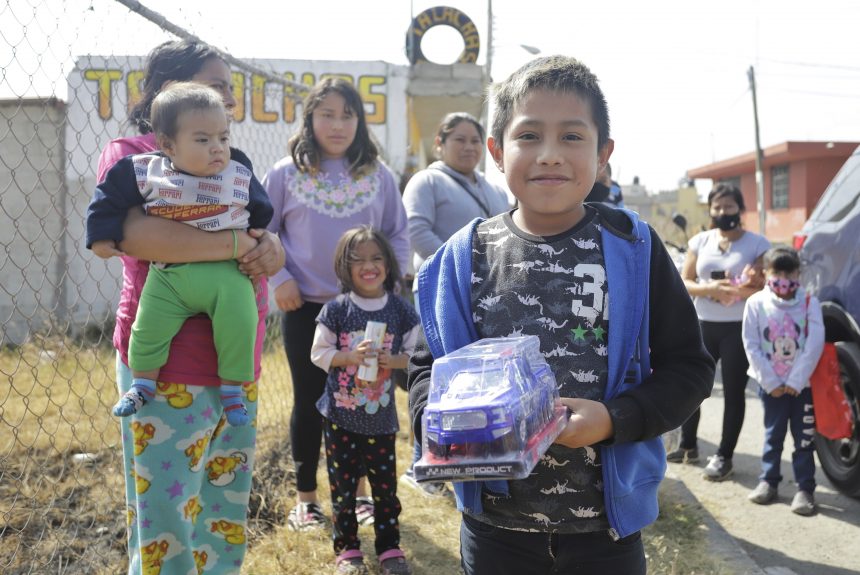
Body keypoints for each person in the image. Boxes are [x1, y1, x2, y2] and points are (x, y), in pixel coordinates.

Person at [407, 55, 715, 575]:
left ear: (603, 156)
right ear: (497, 153)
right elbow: (424, 369)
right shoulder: (464, 259)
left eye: (572, 137)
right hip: (494, 530)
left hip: (605, 531)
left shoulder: (633, 250)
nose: (550, 155)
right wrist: (440, 431)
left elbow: (689, 367)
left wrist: (614, 420)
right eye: (529, 136)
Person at [94, 39, 285, 575]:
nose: (227, 97)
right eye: (213, 85)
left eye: (229, 88)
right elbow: (137, 234)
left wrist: (271, 249)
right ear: (165, 92)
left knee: (223, 509)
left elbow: (261, 231)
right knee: (166, 519)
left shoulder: (228, 162)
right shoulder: (133, 156)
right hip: (167, 366)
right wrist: (235, 247)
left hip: (234, 365)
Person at [263, 77, 410, 531]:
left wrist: (391, 287)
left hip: (364, 311)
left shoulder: (378, 175)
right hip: (304, 306)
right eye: (327, 113)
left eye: (348, 114)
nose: (338, 123)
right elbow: (265, 232)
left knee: (364, 401)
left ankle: (359, 495)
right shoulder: (285, 173)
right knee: (310, 401)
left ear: (360, 121)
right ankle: (306, 499)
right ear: (310, 118)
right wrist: (281, 278)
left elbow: (397, 234)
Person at [88, 83, 273, 427]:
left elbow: (261, 208)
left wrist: (262, 234)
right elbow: (107, 198)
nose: (217, 149)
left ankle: (233, 390)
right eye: (202, 140)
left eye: (223, 137)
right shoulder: (143, 170)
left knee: (240, 323)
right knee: (146, 328)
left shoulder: (238, 168)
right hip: (168, 276)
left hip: (226, 275)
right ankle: (142, 384)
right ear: (168, 145)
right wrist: (100, 236)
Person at [399, 111, 510, 495]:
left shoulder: (495, 189)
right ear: (440, 144)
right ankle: (424, 464)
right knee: (438, 375)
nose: (468, 147)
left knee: (477, 381)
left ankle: (470, 458)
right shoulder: (426, 181)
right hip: (439, 293)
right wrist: (455, 273)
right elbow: (417, 230)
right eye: (459, 139)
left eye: (475, 141)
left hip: (489, 296)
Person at [310, 226, 420, 575]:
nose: (368, 266)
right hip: (340, 416)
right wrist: (349, 356)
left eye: (376, 258)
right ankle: (347, 549)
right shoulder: (337, 310)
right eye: (358, 260)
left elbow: (418, 352)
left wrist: (396, 361)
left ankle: (389, 548)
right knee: (343, 489)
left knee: (385, 489)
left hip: (381, 419)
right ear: (345, 267)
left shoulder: (401, 311)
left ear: (388, 263)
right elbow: (318, 353)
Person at [668, 183, 770, 481]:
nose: (723, 212)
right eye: (717, 207)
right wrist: (711, 289)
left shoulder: (757, 244)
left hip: (739, 328)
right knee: (693, 387)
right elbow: (684, 282)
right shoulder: (700, 241)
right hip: (701, 325)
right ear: (710, 210)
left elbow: (763, 284)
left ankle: (724, 456)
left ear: (740, 209)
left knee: (734, 393)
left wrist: (736, 291)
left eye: (729, 206)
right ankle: (688, 445)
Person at [742, 246, 824, 515]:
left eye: (789, 272)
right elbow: (751, 344)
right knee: (772, 435)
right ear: (766, 273)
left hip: (803, 387)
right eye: (777, 271)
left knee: (804, 440)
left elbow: (814, 343)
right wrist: (771, 381)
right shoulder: (755, 303)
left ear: (798, 273)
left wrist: (797, 379)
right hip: (772, 387)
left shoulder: (810, 303)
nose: (783, 277)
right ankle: (768, 481)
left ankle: (805, 489)